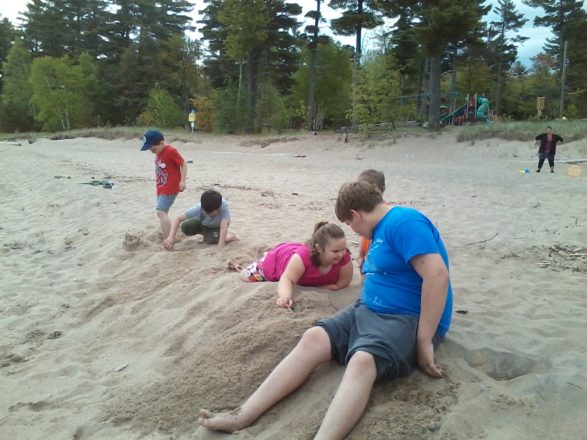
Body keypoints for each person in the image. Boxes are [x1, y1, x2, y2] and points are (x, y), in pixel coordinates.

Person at [199, 181, 452, 439]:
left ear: (356, 214)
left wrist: (424, 341)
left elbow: (437, 276)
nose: (354, 231)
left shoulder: (404, 222)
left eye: (350, 224)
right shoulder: (379, 228)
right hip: (368, 310)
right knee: (313, 337)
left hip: (406, 317)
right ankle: (242, 416)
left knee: (362, 360)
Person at [239, 222, 353, 308]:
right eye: (335, 251)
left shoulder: (345, 257)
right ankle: (260, 257)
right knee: (244, 276)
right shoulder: (303, 257)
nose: (341, 254)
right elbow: (287, 278)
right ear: (319, 249)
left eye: (343, 249)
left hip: (297, 263)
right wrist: (284, 297)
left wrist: (313, 287)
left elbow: (342, 284)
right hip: (277, 262)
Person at [141, 129, 187, 239]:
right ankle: (168, 236)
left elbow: (183, 164)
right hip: (161, 188)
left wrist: (183, 181)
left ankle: (169, 238)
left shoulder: (171, 151)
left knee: (160, 212)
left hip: (170, 187)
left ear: (161, 143)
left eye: (153, 149)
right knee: (162, 212)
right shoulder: (158, 152)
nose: (152, 151)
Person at [163, 189, 239, 250]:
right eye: (205, 211)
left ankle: (229, 236)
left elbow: (224, 227)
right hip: (202, 223)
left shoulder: (224, 208)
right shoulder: (200, 207)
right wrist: (171, 237)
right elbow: (178, 218)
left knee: (211, 240)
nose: (207, 213)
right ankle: (206, 234)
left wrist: (220, 247)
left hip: (216, 227)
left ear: (218, 208)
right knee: (185, 227)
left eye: (211, 212)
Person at [356, 169, 387, 274]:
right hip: (366, 248)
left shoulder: (385, 212)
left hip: (377, 249)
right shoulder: (361, 210)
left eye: (373, 192)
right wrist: (361, 254)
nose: (368, 196)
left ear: (382, 189)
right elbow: (362, 235)